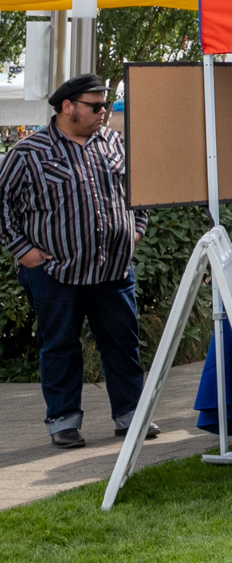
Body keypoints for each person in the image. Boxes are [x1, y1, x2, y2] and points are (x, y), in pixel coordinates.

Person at [0, 73, 156, 448]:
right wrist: (23, 250)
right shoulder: (28, 152)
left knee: (122, 343)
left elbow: (141, 188)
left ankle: (130, 416)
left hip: (114, 270)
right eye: (95, 106)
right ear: (67, 107)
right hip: (55, 273)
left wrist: (136, 229)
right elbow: (2, 204)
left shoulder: (114, 143)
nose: (104, 112)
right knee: (59, 347)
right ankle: (63, 421)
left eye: (104, 104)